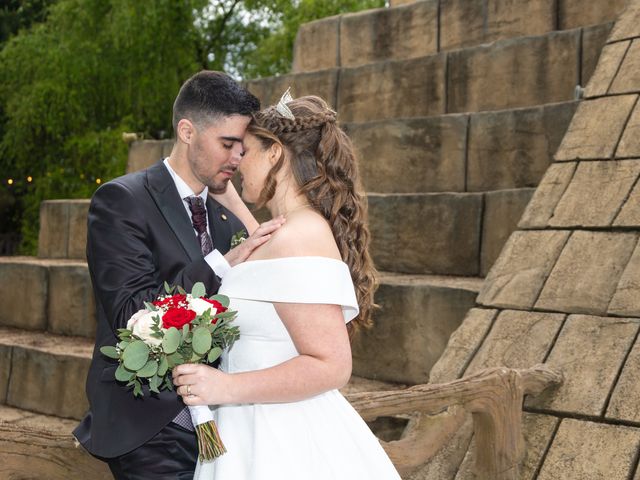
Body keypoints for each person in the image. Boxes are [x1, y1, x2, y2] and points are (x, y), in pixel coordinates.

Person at [173, 93, 402, 479]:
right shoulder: (288, 231)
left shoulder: (301, 235)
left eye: (246, 150)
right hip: (252, 427)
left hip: (280, 442)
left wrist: (223, 388)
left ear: (275, 154)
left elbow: (331, 365)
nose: (237, 160)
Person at [73, 70, 285, 479]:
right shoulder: (121, 200)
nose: (238, 158)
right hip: (149, 424)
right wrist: (225, 262)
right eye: (227, 144)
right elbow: (133, 313)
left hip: (229, 423)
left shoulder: (229, 220)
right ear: (187, 131)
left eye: (243, 146)